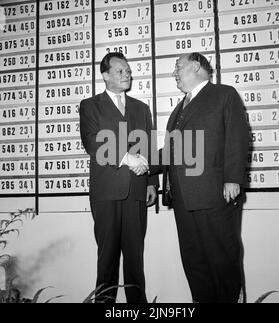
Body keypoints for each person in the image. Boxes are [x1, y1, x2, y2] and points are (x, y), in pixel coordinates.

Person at [153, 53, 249, 303]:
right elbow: (173, 150)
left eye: (178, 66)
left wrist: (233, 178)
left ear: (196, 66)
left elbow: (238, 136)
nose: (174, 72)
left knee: (222, 258)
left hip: (214, 194)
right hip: (183, 199)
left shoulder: (224, 94)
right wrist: (141, 162)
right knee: (194, 261)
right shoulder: (180, 107)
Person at [80, 52, 158, 303]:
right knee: (108, 259)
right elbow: (92, 142)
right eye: (120, 71)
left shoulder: (141, 108)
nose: (127, 74)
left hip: (136, 191)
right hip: (106, 192)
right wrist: (126, 158)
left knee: (135, 258)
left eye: (128, 70)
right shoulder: (90, 105)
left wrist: (151, 183)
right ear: (105, 75)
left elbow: (148, 146)